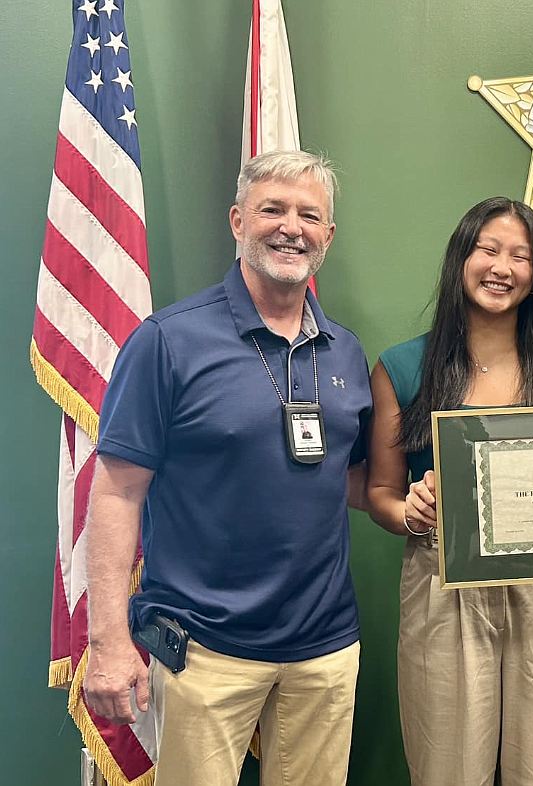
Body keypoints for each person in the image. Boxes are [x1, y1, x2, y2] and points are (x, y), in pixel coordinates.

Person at [82, 150, 372, 786]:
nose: (290, 227)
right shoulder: (168, 342)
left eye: (309, 215)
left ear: (328, 235)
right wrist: (105, 640)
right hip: (204, 649)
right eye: (272, 209)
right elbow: (116, 492)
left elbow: (346, 478)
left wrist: (424, 499)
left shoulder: (345, 350)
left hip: (324, 647)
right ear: (238, 220)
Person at [367, 197, 533, 786]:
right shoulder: (403, 368)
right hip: (443, 581)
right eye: (489, 249)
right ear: (462, 260)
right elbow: (381, 491)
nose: (502, 266)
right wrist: (410, 511)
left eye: (520, 256)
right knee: (448, 768)